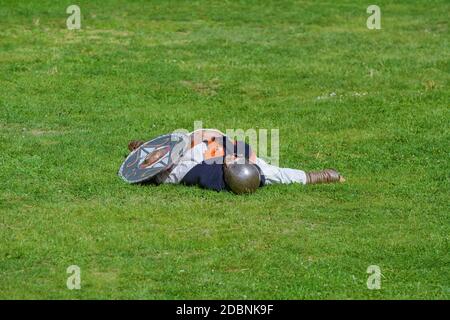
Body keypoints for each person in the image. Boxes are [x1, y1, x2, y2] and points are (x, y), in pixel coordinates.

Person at [127, 129, 345, 194]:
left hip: (194, 161)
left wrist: (149, 156)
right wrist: (322, 176)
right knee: (271, 172)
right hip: (213, 151)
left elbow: (202, 139)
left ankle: (144, 146)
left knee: (166, 168)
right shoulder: (255, 168)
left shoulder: (199, 170)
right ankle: (150, 145)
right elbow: (210, 136)